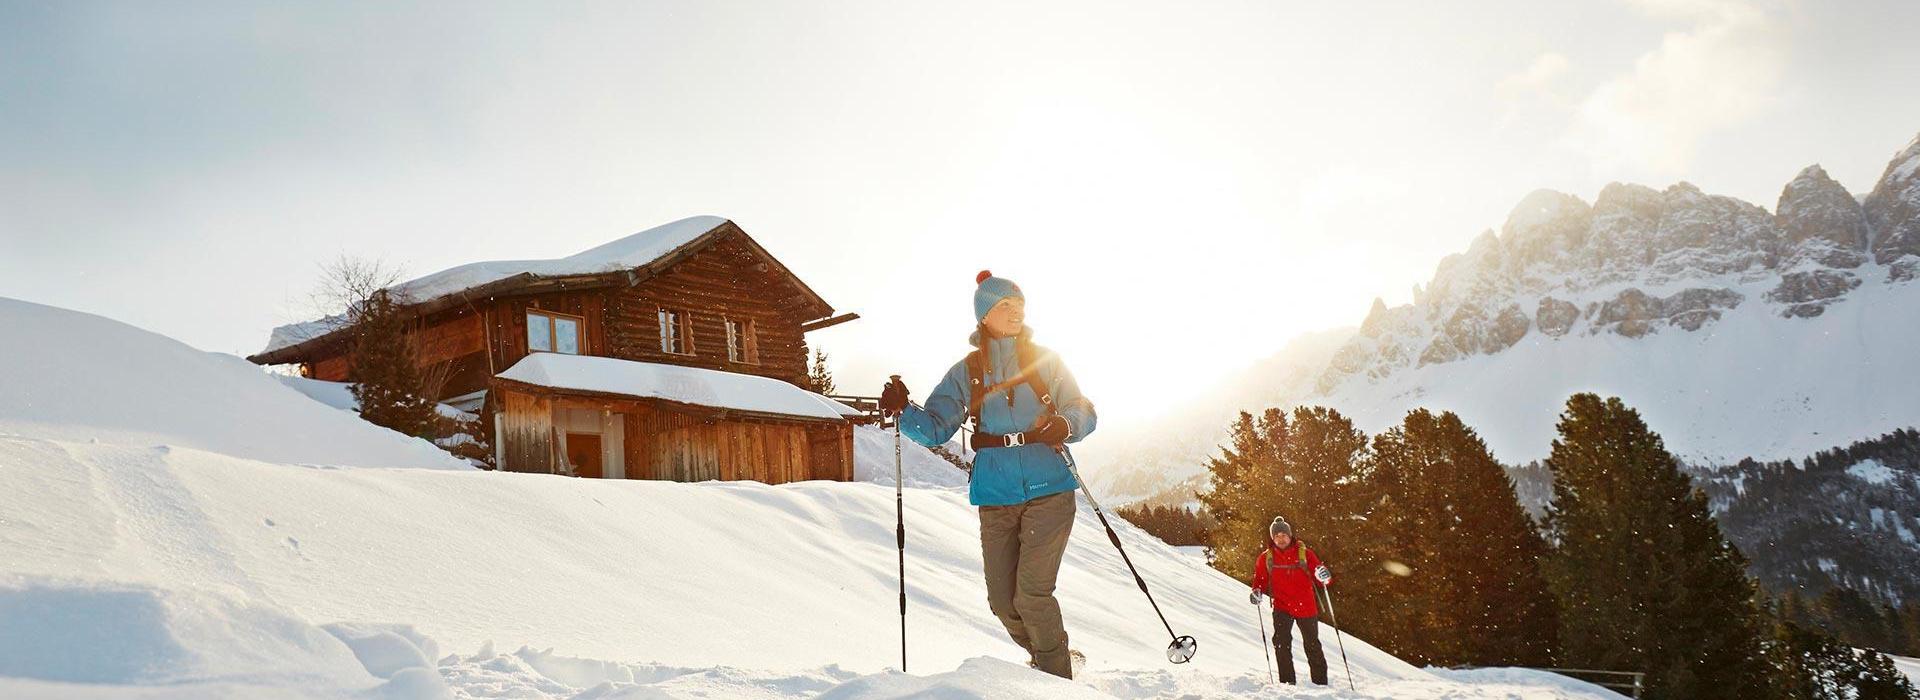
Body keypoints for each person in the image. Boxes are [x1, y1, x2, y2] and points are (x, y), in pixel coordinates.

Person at [878, 270, 1097, 679]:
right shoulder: (969, 371)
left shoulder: (1045, 361)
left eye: (1020, 306)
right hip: (995, 494)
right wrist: (903, 411)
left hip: (1049, 488)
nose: (1015, 313)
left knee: (1032, 596)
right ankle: (1053, 659)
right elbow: (937, 427)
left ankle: (1057, 681)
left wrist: (1066, 424)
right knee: (1002, 601)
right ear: (984, 315)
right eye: (1005, 306)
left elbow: (1082, 408)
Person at [1249, 516, 1335, 685]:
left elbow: (1322, 577)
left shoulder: (1305, 554)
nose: (1281, 539)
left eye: (1284, 535)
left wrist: (1324, 576)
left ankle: (1321, 684)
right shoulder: (1266, 558)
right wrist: (1256, 592)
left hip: (1306, 607)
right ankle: (1287, 685)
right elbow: (1259, 579)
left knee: (1312, 645)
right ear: (1272, 538)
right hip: (1282, 607)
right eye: (1277, 536)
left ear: (1290, 536)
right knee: (1281, 644)